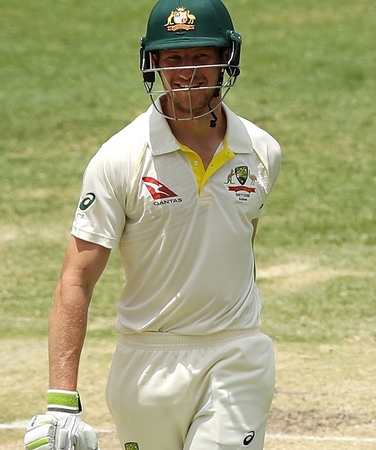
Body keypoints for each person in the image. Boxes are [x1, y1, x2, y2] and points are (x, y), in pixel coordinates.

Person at [24, 0, 281, 449]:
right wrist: (60, 402)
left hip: (237, 351)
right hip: (146, 362)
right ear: (153, 64)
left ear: (228, 57)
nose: (187, 72)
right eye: (173, 59)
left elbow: (241, 238)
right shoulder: (119, 158)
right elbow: (76, 277)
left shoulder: (261, 151)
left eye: (202, 56)